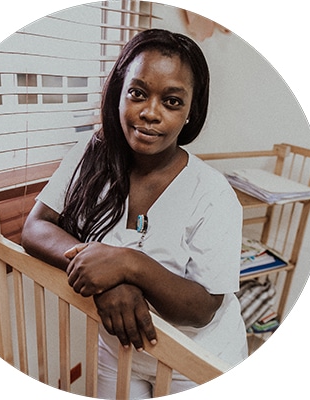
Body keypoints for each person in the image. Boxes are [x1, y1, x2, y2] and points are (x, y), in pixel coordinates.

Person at [21, 28, 248, 398]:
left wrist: (129, 264)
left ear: (192, 112)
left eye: (172, 102)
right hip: (117, 347)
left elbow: (203, 307)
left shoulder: (212, 193)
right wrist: (110, 281)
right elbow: (36, 227)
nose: (150, 113)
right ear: (119, 94)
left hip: (195, 360)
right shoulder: (89, 154)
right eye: (138, 93)